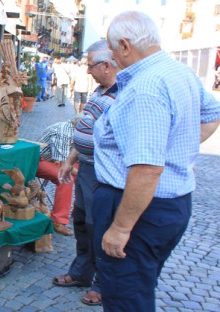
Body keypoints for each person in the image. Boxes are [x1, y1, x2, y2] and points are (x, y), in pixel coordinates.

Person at [93, 11, 220, 311]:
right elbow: (212, 115)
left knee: (127, 295)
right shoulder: (179, 72)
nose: (113, 58)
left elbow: (147, 168)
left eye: (113, 50)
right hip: (169, 204)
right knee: (139, 284)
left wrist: (121, 228)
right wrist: (176, 146)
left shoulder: (145, 87)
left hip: (138, 208)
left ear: (125, 46)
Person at [53, 39, 120, 306]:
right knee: (81, 222)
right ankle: (81, 272)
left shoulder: (123, 94)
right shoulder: (99, 91)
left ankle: (103, 284)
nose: (88, 71)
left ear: (106, 64)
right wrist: (71, 159)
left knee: (99, 227)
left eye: (91, 65)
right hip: (87, 167)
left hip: (104, 173)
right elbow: (86, 129)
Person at [35, 117, 80, 236]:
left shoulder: (78, 131)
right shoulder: (64, 131)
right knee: (66, 179)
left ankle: (80, 210)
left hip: (55, 159)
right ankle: (58, 221)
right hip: (39, 160)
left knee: (86, 170)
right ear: (79, 125)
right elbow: (64, 165)